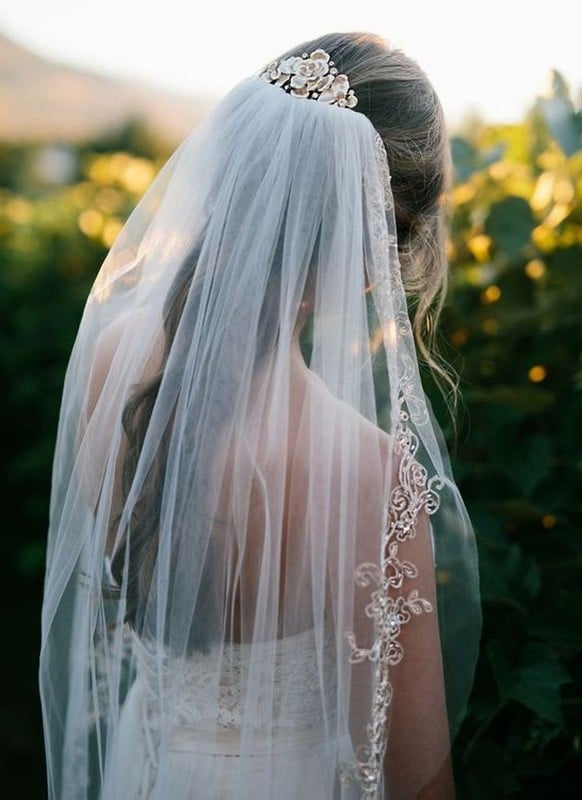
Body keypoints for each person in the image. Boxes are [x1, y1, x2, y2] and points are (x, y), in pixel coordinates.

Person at [39, 32, 481, 799]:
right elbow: (417, 779)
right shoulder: (374, 478)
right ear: (379, 250)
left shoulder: (113, 362)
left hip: (147, 771)